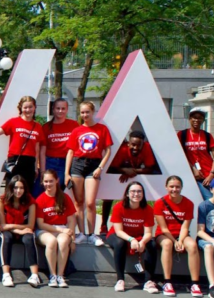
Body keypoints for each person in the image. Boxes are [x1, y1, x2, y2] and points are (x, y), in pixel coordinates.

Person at [65, 101, 113, 247]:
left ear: (93, 112)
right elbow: (71, 152)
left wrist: (100, 167)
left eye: (87, 112)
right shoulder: (77, 131)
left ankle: (92, 234)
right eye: (82, 112)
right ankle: (82, 233)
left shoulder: (102, 129)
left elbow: (108, 150)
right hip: (77, 165)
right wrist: (67, 173)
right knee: (78, 202)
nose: (85, 115)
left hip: (94, 165)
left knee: (91, 203)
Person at [99, 131, 159, 235]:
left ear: (143, 144)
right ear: (128, 144)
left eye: (138, 145)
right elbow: (112, 166)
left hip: (133, 172)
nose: (135, 148)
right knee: (108, 197)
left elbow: (150, 168)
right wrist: (124, 170)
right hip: (120, 173)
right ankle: (104, 225)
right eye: (133, 145)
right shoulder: (122, 150)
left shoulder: (147, 148)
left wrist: (133, 171)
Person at [154, 176, 202, 296]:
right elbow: (164, 228)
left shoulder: (188, 203)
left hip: (181, 234)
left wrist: (180, 241)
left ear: (181, 188)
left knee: (192, 245)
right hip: (164, 234)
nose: (174, 189)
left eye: (177, 187)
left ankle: (195, 283)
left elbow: (185, 227)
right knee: (167, 244)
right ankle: (167, 282)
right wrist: (175, 242)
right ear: (166, 187)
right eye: (171, 186)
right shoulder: (160, 203)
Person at [107, 181, 159, 293]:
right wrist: (132, 239)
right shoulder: (118, 207)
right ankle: (120, 280)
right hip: (118, 235)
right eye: (133, 191)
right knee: (120, 243)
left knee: (152, 244)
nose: (136, 194)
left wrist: (143, 242)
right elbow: (119, 231)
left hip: (139, 236)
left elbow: (148, 233)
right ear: (127, 194)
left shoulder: (148, 209)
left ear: (143, 194)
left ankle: (148, 281)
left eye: (139, 191)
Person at [0, 175, 41, 287]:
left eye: (21, 188)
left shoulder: (30, 201)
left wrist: (12, 227)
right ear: (11, 188)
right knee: (6, 237)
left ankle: (34, 275)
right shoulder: (2, 200)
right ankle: (6, 275)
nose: (18, 191)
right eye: (16, 188)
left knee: (29, 238)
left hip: (24, 230)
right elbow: (2, 226)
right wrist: (18, 229)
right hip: (12, 231)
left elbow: (30, 225)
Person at [36, 170, 77, 288]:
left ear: (57, 181)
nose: (48, 184)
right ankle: (52, 275)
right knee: (52, 241)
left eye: (51, 181)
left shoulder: (65, 197)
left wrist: (72, 239)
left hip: (62, 228)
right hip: (45, 230)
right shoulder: (40, 199)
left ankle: (60, 275)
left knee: (63, 242)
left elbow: (71, 220)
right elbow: (41, 224)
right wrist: (61, 230)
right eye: (46, 181)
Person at [178, 107, 214, 200]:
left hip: (210, 175)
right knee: (203, 200)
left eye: (200, 118)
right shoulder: (182, 135)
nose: (196, 120)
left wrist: (211, 174)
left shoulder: (207, 135)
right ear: (189, 119)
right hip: (194, 175)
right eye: (194, 117)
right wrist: (193, 169)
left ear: (203, 120)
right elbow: (180, 155)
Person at [40, 99, 78, 197]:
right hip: (50, 162)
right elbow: (42, 151)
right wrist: (42, 171)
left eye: (63, 108)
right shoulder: (46, 127)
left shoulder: (74, 125)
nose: (60, 111)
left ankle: (56, 210)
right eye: (58, 108)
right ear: (53, 109)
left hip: (65, 163)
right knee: (40, 191)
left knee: (57, 189)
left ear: (67, 110)